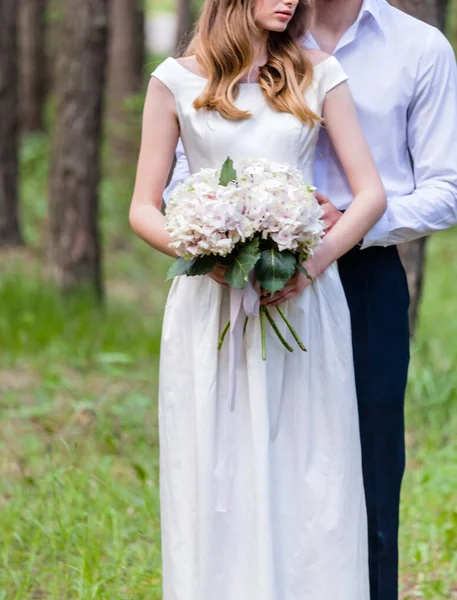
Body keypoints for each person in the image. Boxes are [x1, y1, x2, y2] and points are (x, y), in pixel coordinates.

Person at [164, 0, 457, 598]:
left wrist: (336, 227)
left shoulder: (419, 47)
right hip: (240, 278)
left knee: (365, 470)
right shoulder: (236, 48)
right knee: (235, 466)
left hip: (362, 272)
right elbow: (176, 176)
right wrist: (225, 234)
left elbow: (446, 189)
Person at [131, 0, 387, 597]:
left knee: (312, 469)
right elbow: (143, 206)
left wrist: (314, 263)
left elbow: (369, 194)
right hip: (210, 305)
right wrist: (201, 248)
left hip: (302, 301)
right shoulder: (173, 81)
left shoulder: (318, 72)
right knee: (215, 471)